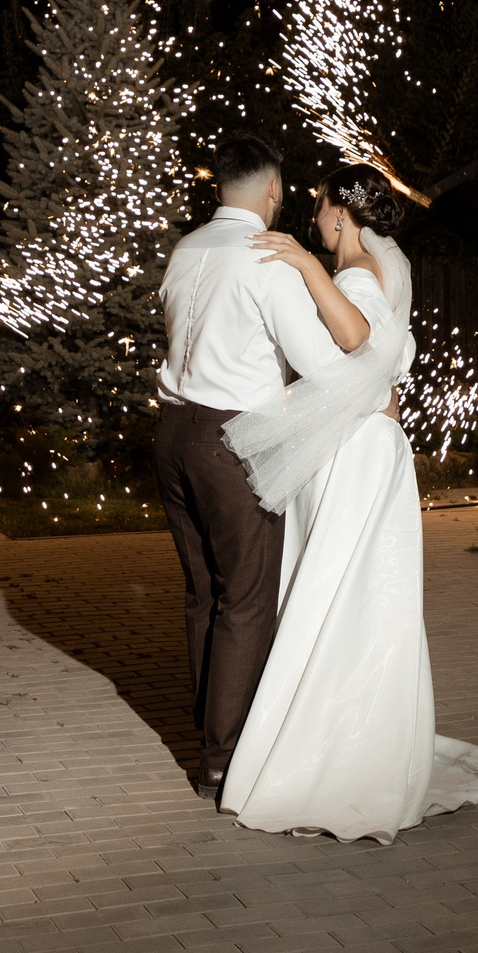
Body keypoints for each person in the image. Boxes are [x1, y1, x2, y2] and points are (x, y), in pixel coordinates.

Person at [217, 163, 478, 842]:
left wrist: (304, 265)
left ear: (343, 214)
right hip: (368, 447)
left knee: (334, 591)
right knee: (358, 593)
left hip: (354, 455)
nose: (312, 217)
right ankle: (357, 737)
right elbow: (381, 368)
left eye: (319, 207)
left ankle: (331, 755)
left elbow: (354, 337)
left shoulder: (357, 275)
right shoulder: (376, 268)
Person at [153, 134, 349, 803]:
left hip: (172, 434)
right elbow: (317, 360)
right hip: (232, 441)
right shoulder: (268, 256)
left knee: (203, 592)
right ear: (273, 190)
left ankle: (209, 733)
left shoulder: (186, 248)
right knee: (246, 597)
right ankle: (224, 757)